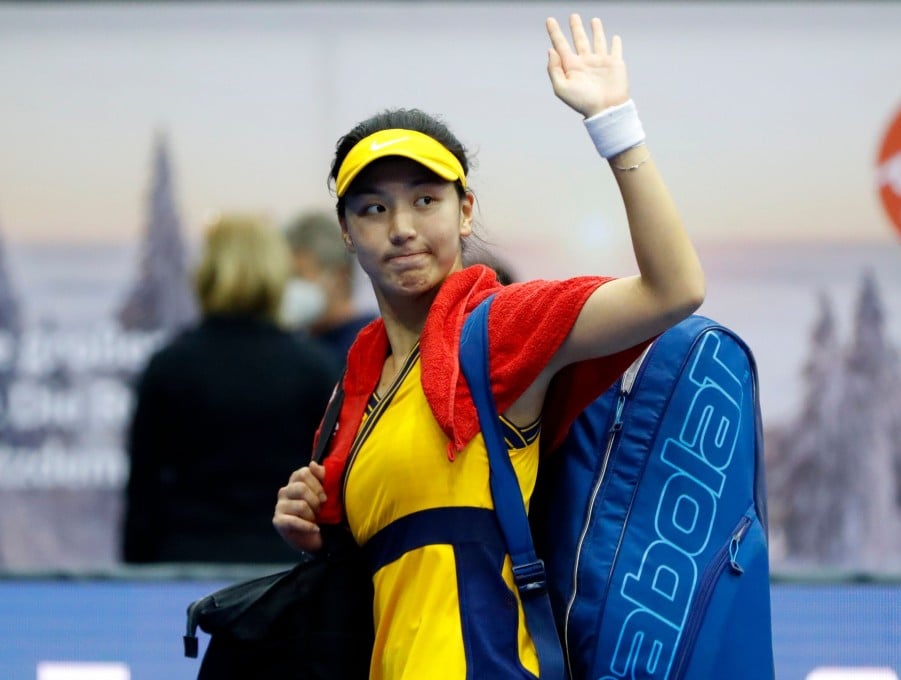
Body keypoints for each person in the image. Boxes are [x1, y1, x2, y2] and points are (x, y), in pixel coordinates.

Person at [273, 13, 705, 678]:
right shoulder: (354, 390)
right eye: (373, 208)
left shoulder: (499, 326)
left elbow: (673, 290)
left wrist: (615, 123)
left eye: (426, 200)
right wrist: (311, 523)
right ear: (345, 231)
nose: (402, 229)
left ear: (465, 211)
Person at [122, 214, 338, 564]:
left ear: (206, 275)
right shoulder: (317, 369)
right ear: (278, 276)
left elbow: (143, 496)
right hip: (285, 573)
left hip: (185, 571)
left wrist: (136, 585)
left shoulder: (167, 367)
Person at [282, 210, 377, 374]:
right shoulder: (298, 342)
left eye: (300, 275)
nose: (291, 288)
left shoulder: (369, 345)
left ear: (339, 276)